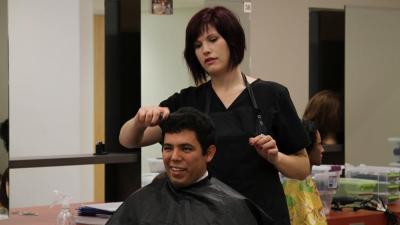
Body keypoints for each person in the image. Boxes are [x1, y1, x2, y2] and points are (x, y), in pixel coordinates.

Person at [119, 6, 310, 224]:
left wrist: (276, 157)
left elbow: (302, 168)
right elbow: (128, 140)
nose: (205, 50)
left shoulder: (272, 95)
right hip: (207, 218)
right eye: (198, 45)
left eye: (213, 39)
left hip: (262, 216)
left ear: (232, 40)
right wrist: (140, 120)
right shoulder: (188, 101)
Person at [107, 107, 275, 225]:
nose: (174, 157)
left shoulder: (232, 209)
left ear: (209, 153)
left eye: (186, 149)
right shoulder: (141, 201)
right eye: (168, 148)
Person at [282, 120, 327, 225]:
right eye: (319, 144)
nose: (322, 149)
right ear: (307, 148)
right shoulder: (295, 185)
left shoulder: (305, 180)